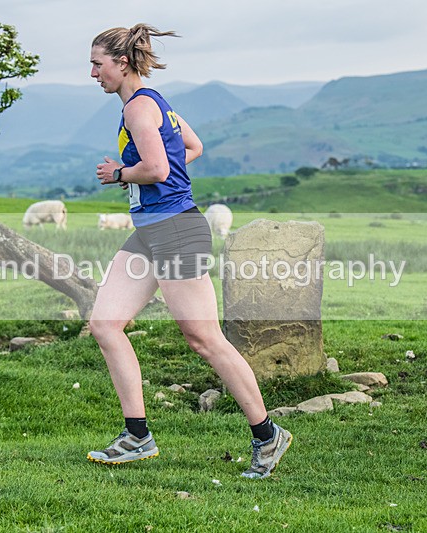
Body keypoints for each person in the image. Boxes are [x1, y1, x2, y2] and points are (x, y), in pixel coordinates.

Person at [86, 23, 291, 479]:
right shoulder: (154, 103)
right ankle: (137, 436)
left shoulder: (139, 108)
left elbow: (159, 169)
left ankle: (267, 435)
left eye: (98, 65)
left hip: (176, 230)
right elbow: (192, 147)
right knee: (105, 324)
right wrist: (150, 172)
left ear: (122, 62)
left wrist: (120, 173)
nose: (94, 73)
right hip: (150, 232)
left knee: (204, 339)